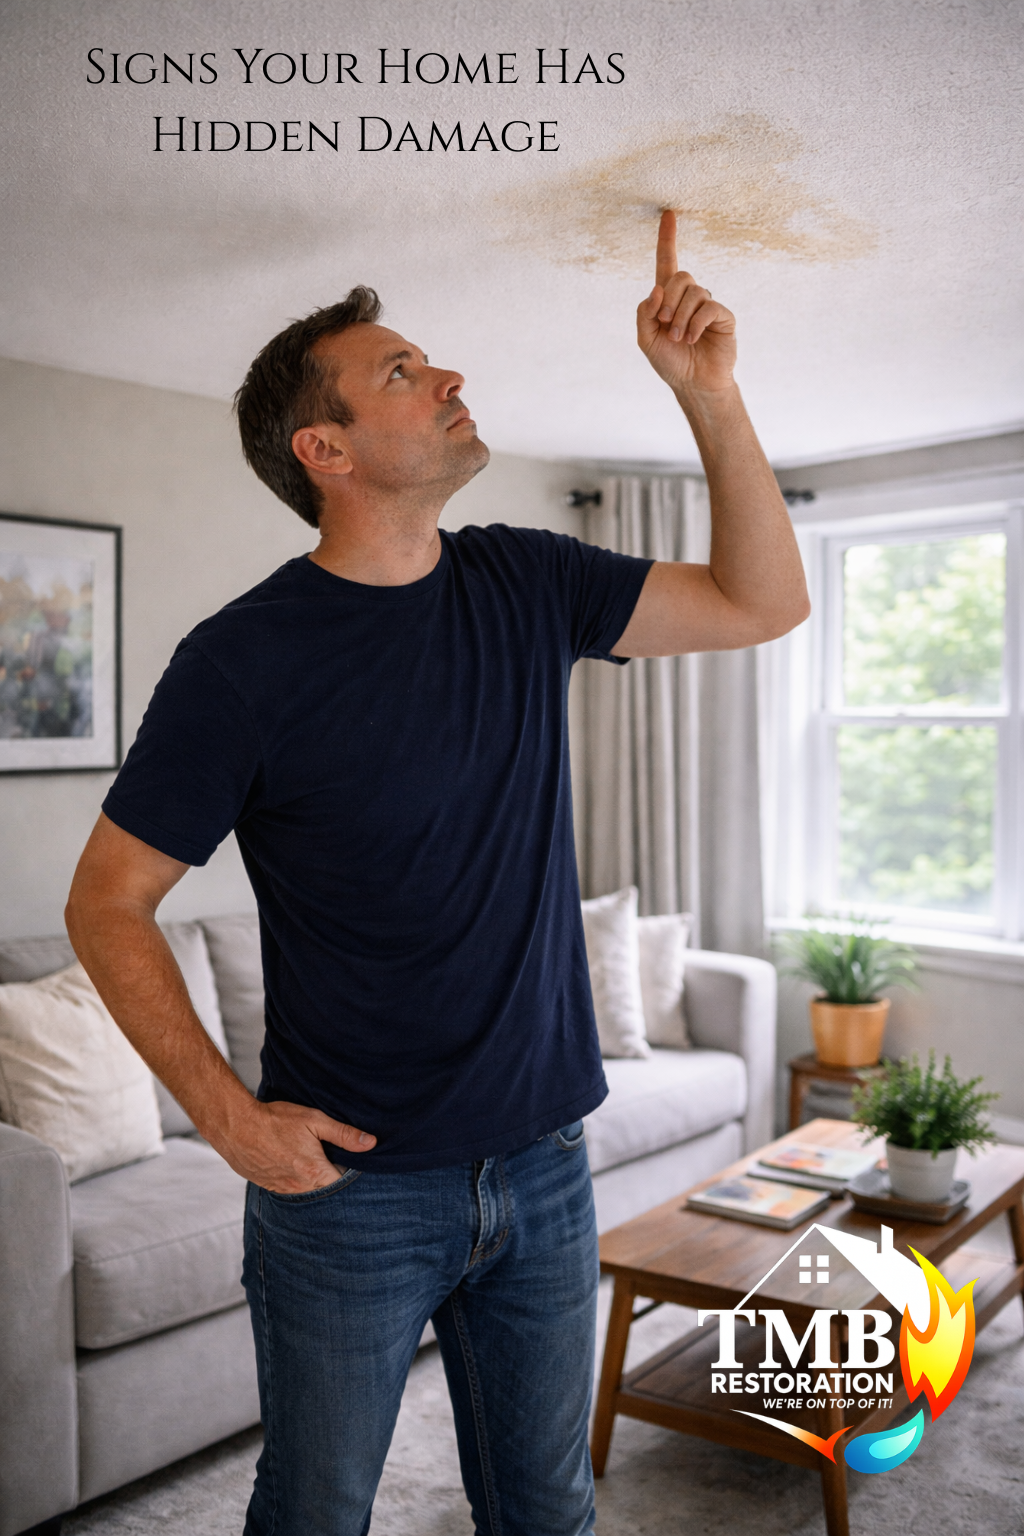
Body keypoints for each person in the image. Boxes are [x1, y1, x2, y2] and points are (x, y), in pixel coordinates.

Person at [66, 211, 809, 1536]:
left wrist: (711, 394)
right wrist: (229, 1119)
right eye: (404, 372)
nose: (451, 375)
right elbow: (106, 902)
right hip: (351, 1196)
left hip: (546, 1156)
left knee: (549, 1509)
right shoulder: (240, 663)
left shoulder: (524, 580)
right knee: (315, 1511)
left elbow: (763, 603)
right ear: (328, 449)